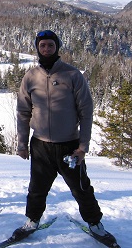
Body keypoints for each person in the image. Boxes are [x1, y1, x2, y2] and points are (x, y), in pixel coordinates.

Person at [15, 30, 114, 241]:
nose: (47, 49)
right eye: (42, 45)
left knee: (81, 189)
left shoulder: (72, 75)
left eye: (50, 45)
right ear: (38, 48)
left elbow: (86, 113)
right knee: (37, 188)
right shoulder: (31, 77)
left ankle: (95, 224)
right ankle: (32, 220)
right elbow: (23, 112)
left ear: (56, 47)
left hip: (69, 145)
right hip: (40, 145)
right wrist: (22, 144)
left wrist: (83, 147)